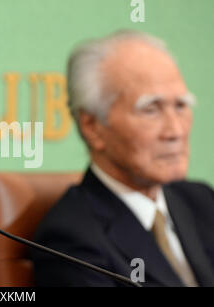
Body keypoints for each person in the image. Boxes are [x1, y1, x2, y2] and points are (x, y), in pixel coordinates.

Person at [31, 30, 214, 287]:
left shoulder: (201, 201)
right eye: (151, 109)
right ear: (92, 126)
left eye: (181, 106)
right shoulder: (71, 240)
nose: (176, 131)